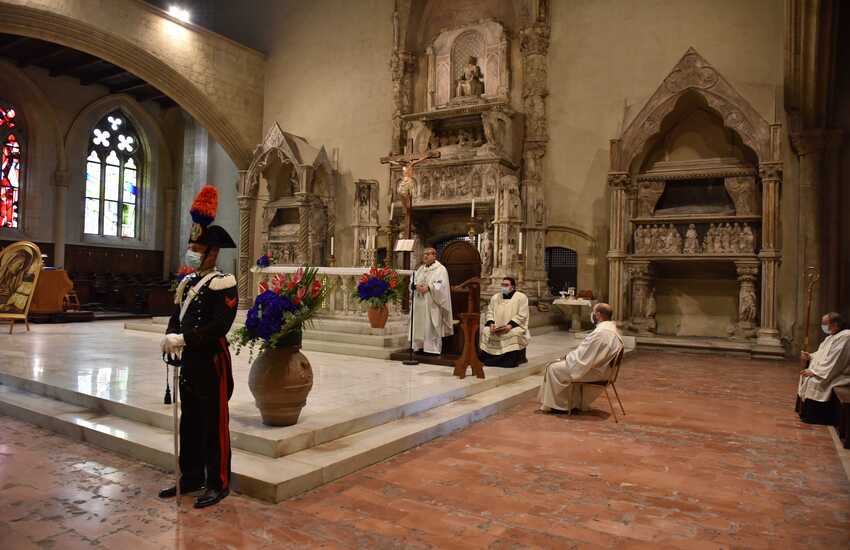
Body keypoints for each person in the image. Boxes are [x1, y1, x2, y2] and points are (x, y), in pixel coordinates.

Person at [159, 185, 239, 509]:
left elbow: (221, 325)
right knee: (189, 420)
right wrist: (170, 337)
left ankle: (217, 481)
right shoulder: (187, 282)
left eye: (197, 248)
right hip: (188, 361)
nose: (192, 252)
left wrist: (186, 339)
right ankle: (190, 476)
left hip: (210, 361)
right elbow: (177, 314)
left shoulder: (224, 282)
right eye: (191, 246)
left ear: (213, 252)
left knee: (212, 422)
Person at [537, 303, 624, 413]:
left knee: (552, 368)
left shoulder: (601, 333)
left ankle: (559, 405)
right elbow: (588, 353)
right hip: (605, 369)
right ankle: (571, 403)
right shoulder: (612, 329)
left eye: (593, 312)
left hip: (595, 371)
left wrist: (567, 357)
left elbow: (584, 358)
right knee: (559, 366)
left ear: (598, 315)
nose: (591, 315)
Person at [796, 312, 850, 424]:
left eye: (825, 324)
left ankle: (816, 417)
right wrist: (810, 356)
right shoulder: (831, 337)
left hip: (839, 374)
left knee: (814, 381)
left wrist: (815, 372)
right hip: (827, 370)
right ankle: (804, 412)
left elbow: (837, 360)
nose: (823, 326)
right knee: (805, 376)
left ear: (835, 324)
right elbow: (821, 354)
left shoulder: (845, 336)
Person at [479, 277, 530, 368]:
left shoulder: (521, 297)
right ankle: (487, 358)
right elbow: (490, 311)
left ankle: (508, 361)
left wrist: (509, 326)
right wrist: (491, 324)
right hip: (497, 326)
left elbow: (522, 315)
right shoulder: (495, 297)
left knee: (513, 334)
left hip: (513, 326)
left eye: (506, 285)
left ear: (513, 287)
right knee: (486, 331)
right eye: (502, 285)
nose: (503, 287)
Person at [411, 246, 453, 355]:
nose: (425, 256)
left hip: (432, 303)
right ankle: (419, 346)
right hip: (419, 302)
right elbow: (413, 281)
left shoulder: (441, 269)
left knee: (431, 325)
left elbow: (441, 284)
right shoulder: (420, 269)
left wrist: (429, 287)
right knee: (419, 324)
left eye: (428, 254)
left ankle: (431, 349)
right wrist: (416, 286)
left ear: (434, 255)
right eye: (424, 254)